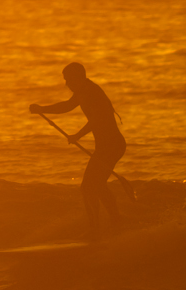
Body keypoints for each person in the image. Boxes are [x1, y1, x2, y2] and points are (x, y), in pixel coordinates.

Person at [29, 62, 125, 240]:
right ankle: (116, 223)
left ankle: (96, 230)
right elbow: (66, 106)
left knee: (88, 187)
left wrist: (77, 135)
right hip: (106, 146)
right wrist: (43, 109)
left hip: (112, 146)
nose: (67, 84)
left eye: (68, 79)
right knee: (97, 186)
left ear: (78, 77)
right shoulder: (83, 91)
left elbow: (97, 119)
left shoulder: (92, 92)